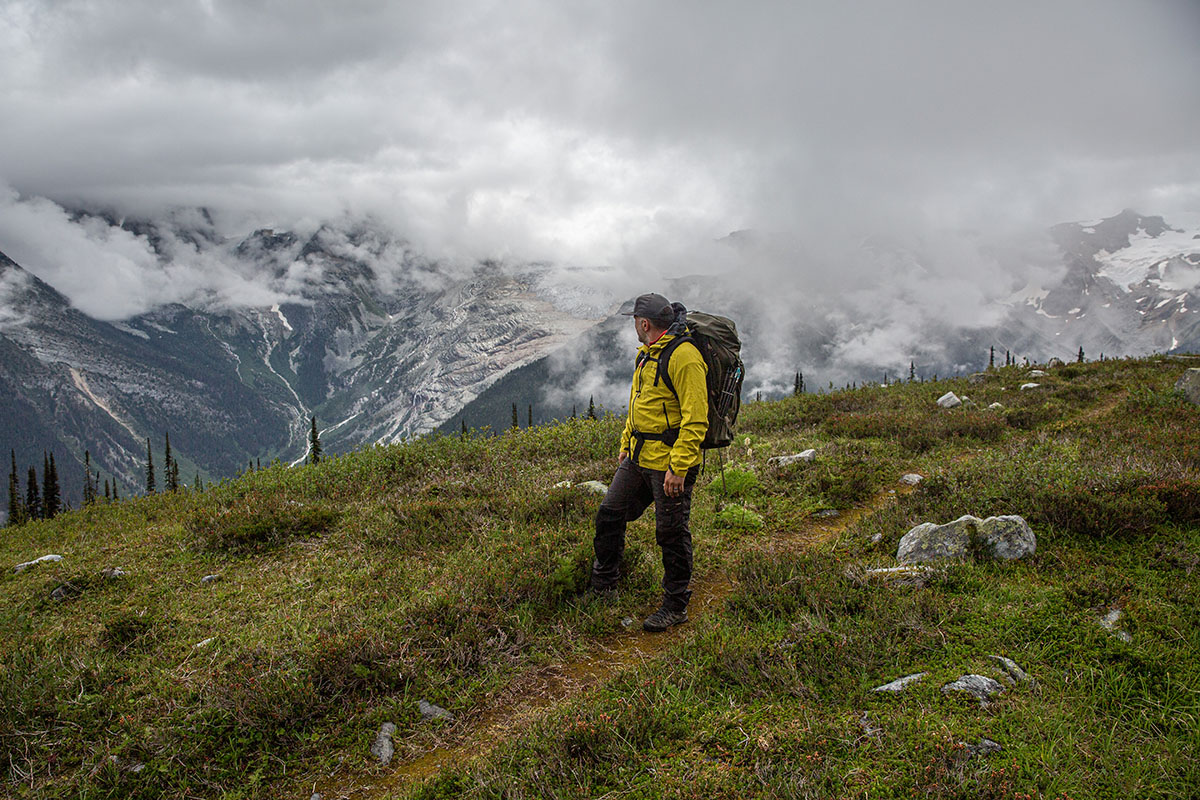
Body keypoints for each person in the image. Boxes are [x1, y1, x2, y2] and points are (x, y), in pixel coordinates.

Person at [589, 292, 709, 632]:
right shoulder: (646, 354)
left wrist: (679, 467)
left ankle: (675, 604)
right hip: (638, 457)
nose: (634, 327)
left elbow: (696, 419)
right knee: (610, 514)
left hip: (669, 463)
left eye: (634, 321)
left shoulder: (685, 357)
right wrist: (626, 442)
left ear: (644, 323)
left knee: (671, 532)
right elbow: (638, 403)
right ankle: (604, 585)